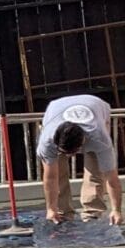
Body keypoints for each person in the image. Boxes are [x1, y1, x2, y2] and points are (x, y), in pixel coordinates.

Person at [36, 94, 123, 226]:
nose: (71, 156)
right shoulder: (47, 141)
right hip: (56, 108)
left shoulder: (99, 138)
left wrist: (116, 210)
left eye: (74, 152)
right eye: (65, 152)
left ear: (83, 142)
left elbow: (111, 178)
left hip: (96, 106)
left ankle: (93, 213)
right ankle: (61, 214)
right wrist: (50, 208)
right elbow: (50, 178)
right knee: (58, 172)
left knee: (96, 170)